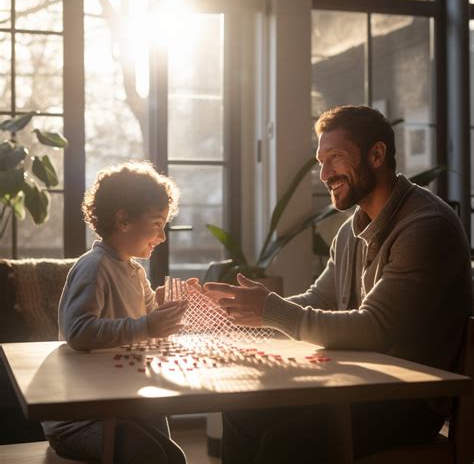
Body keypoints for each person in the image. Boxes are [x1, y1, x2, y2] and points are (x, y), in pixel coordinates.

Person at [204, 105, 472, 464]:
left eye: (335, 158)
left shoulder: (426, 227)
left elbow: (375, 328)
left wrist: (269, 310)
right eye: (320, 161)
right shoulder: (351, 231)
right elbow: (320, 299)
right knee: (242, 408)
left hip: (406, 401)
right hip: (359, 384)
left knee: (286, 441)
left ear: (377, 154)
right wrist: (241, 314)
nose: (324, 174)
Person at [42, 161, 189, 464]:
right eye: (157, 224)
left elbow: (148, 324)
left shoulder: (135, 272)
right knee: (150, 457)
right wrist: (148, 325)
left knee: (174, 458)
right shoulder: (93, 267)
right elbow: (79, 333)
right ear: (123, 220)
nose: (162, 236)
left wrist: (167, 308)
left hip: (120, 404)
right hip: (80, 418)